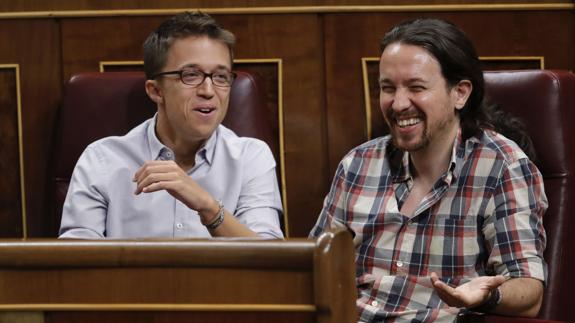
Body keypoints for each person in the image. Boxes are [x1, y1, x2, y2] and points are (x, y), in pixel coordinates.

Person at [310, 18, 546, 322]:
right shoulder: (357, 164)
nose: (398, 104)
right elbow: (314, 269)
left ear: (460, 93)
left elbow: (530, 292)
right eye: (387, 88)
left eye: (416, 87)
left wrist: (487, 295)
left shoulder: (502, 167)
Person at [59, 12, 283, 239]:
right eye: (191, 75)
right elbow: (76, 264)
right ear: (156, 91)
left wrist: (208, 207)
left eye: (221, 77)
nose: (208, 91)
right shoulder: (102, 160)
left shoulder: (251, 158)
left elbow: (271, 262)